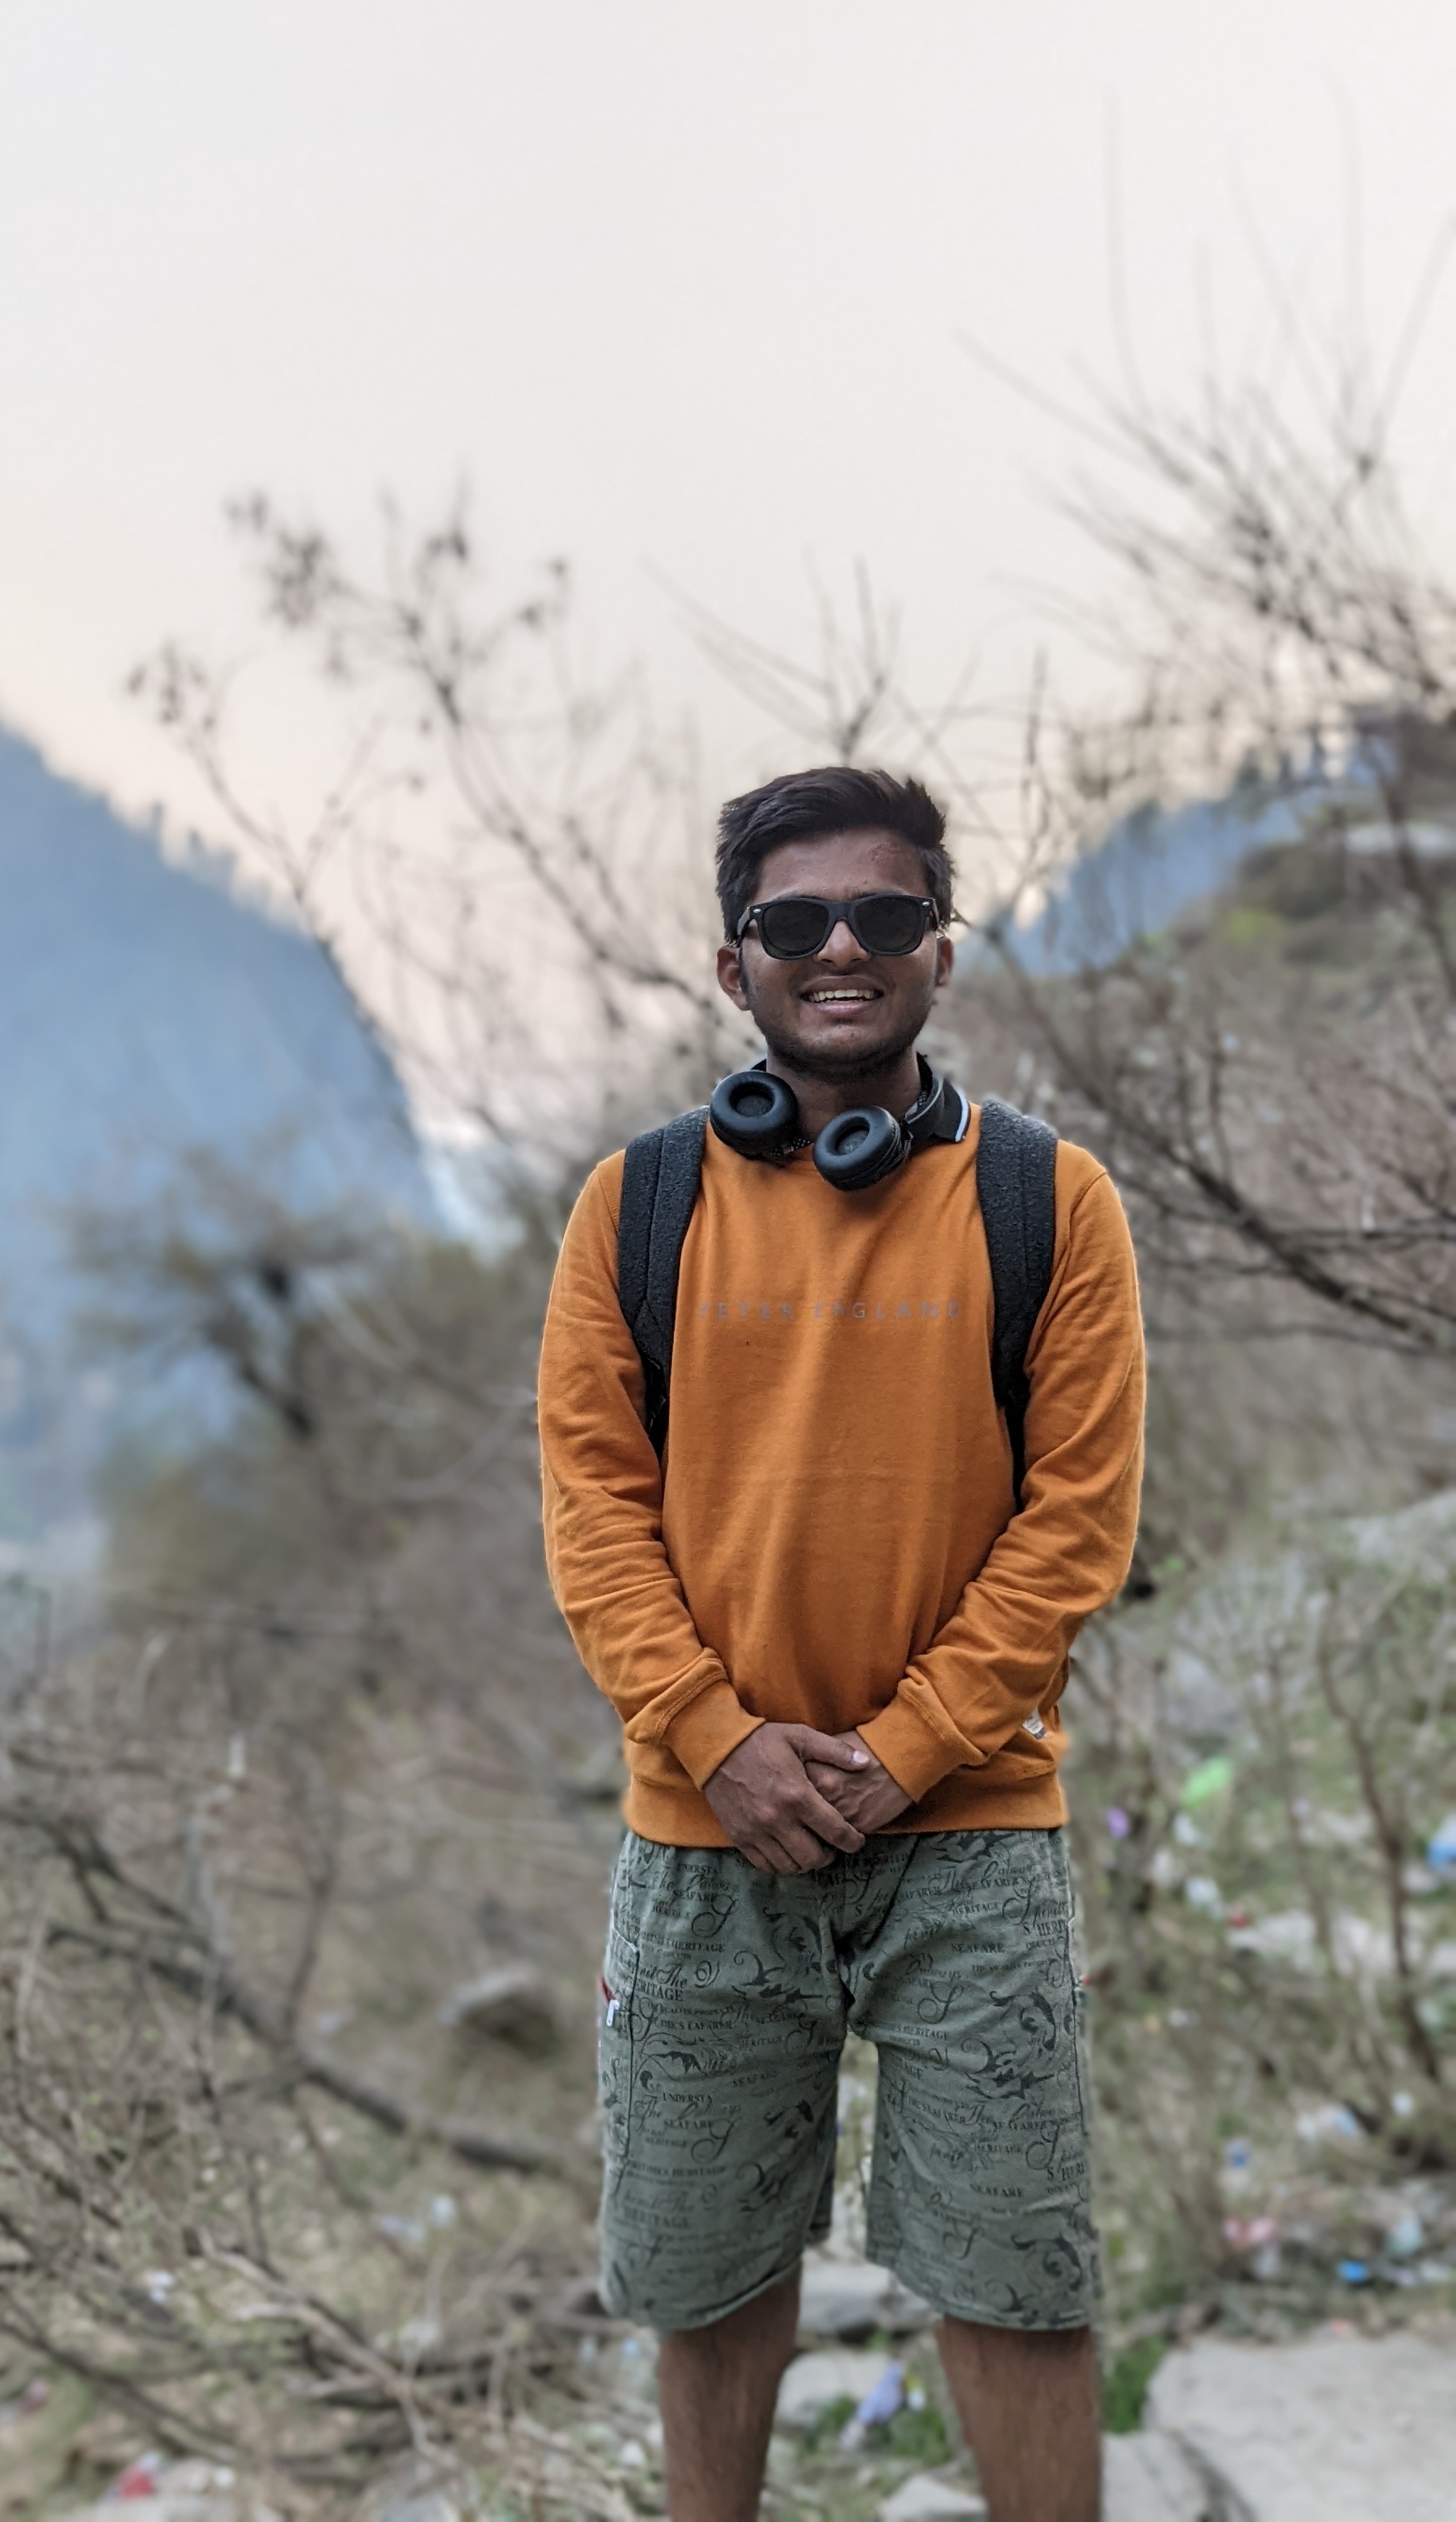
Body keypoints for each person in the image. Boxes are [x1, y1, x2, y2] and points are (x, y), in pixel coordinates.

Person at [537, 767, 1143, 2522]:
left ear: (940, 946)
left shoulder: (1050, 1203)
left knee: (1019, 2281)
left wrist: (905, 1752)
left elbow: (1075, 1530)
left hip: (971, 1834)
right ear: (734, 965)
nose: (842, 947)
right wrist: (715, 1738)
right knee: (708, 2285)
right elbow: (592, 1514)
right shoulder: (635, 1208)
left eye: (884, 912)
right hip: (703, 1838)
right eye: (794, 920)